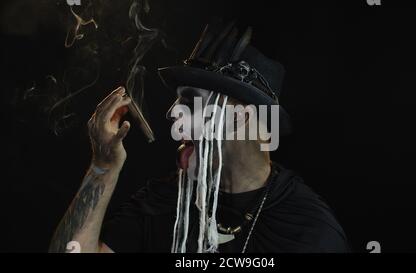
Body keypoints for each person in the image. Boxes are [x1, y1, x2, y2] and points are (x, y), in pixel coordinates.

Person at [49, 22, 350, 253]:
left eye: (190, 101)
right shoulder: (162, 201)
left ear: (238, 117)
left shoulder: (309, 230)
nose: (171, 113)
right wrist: (102, 167)